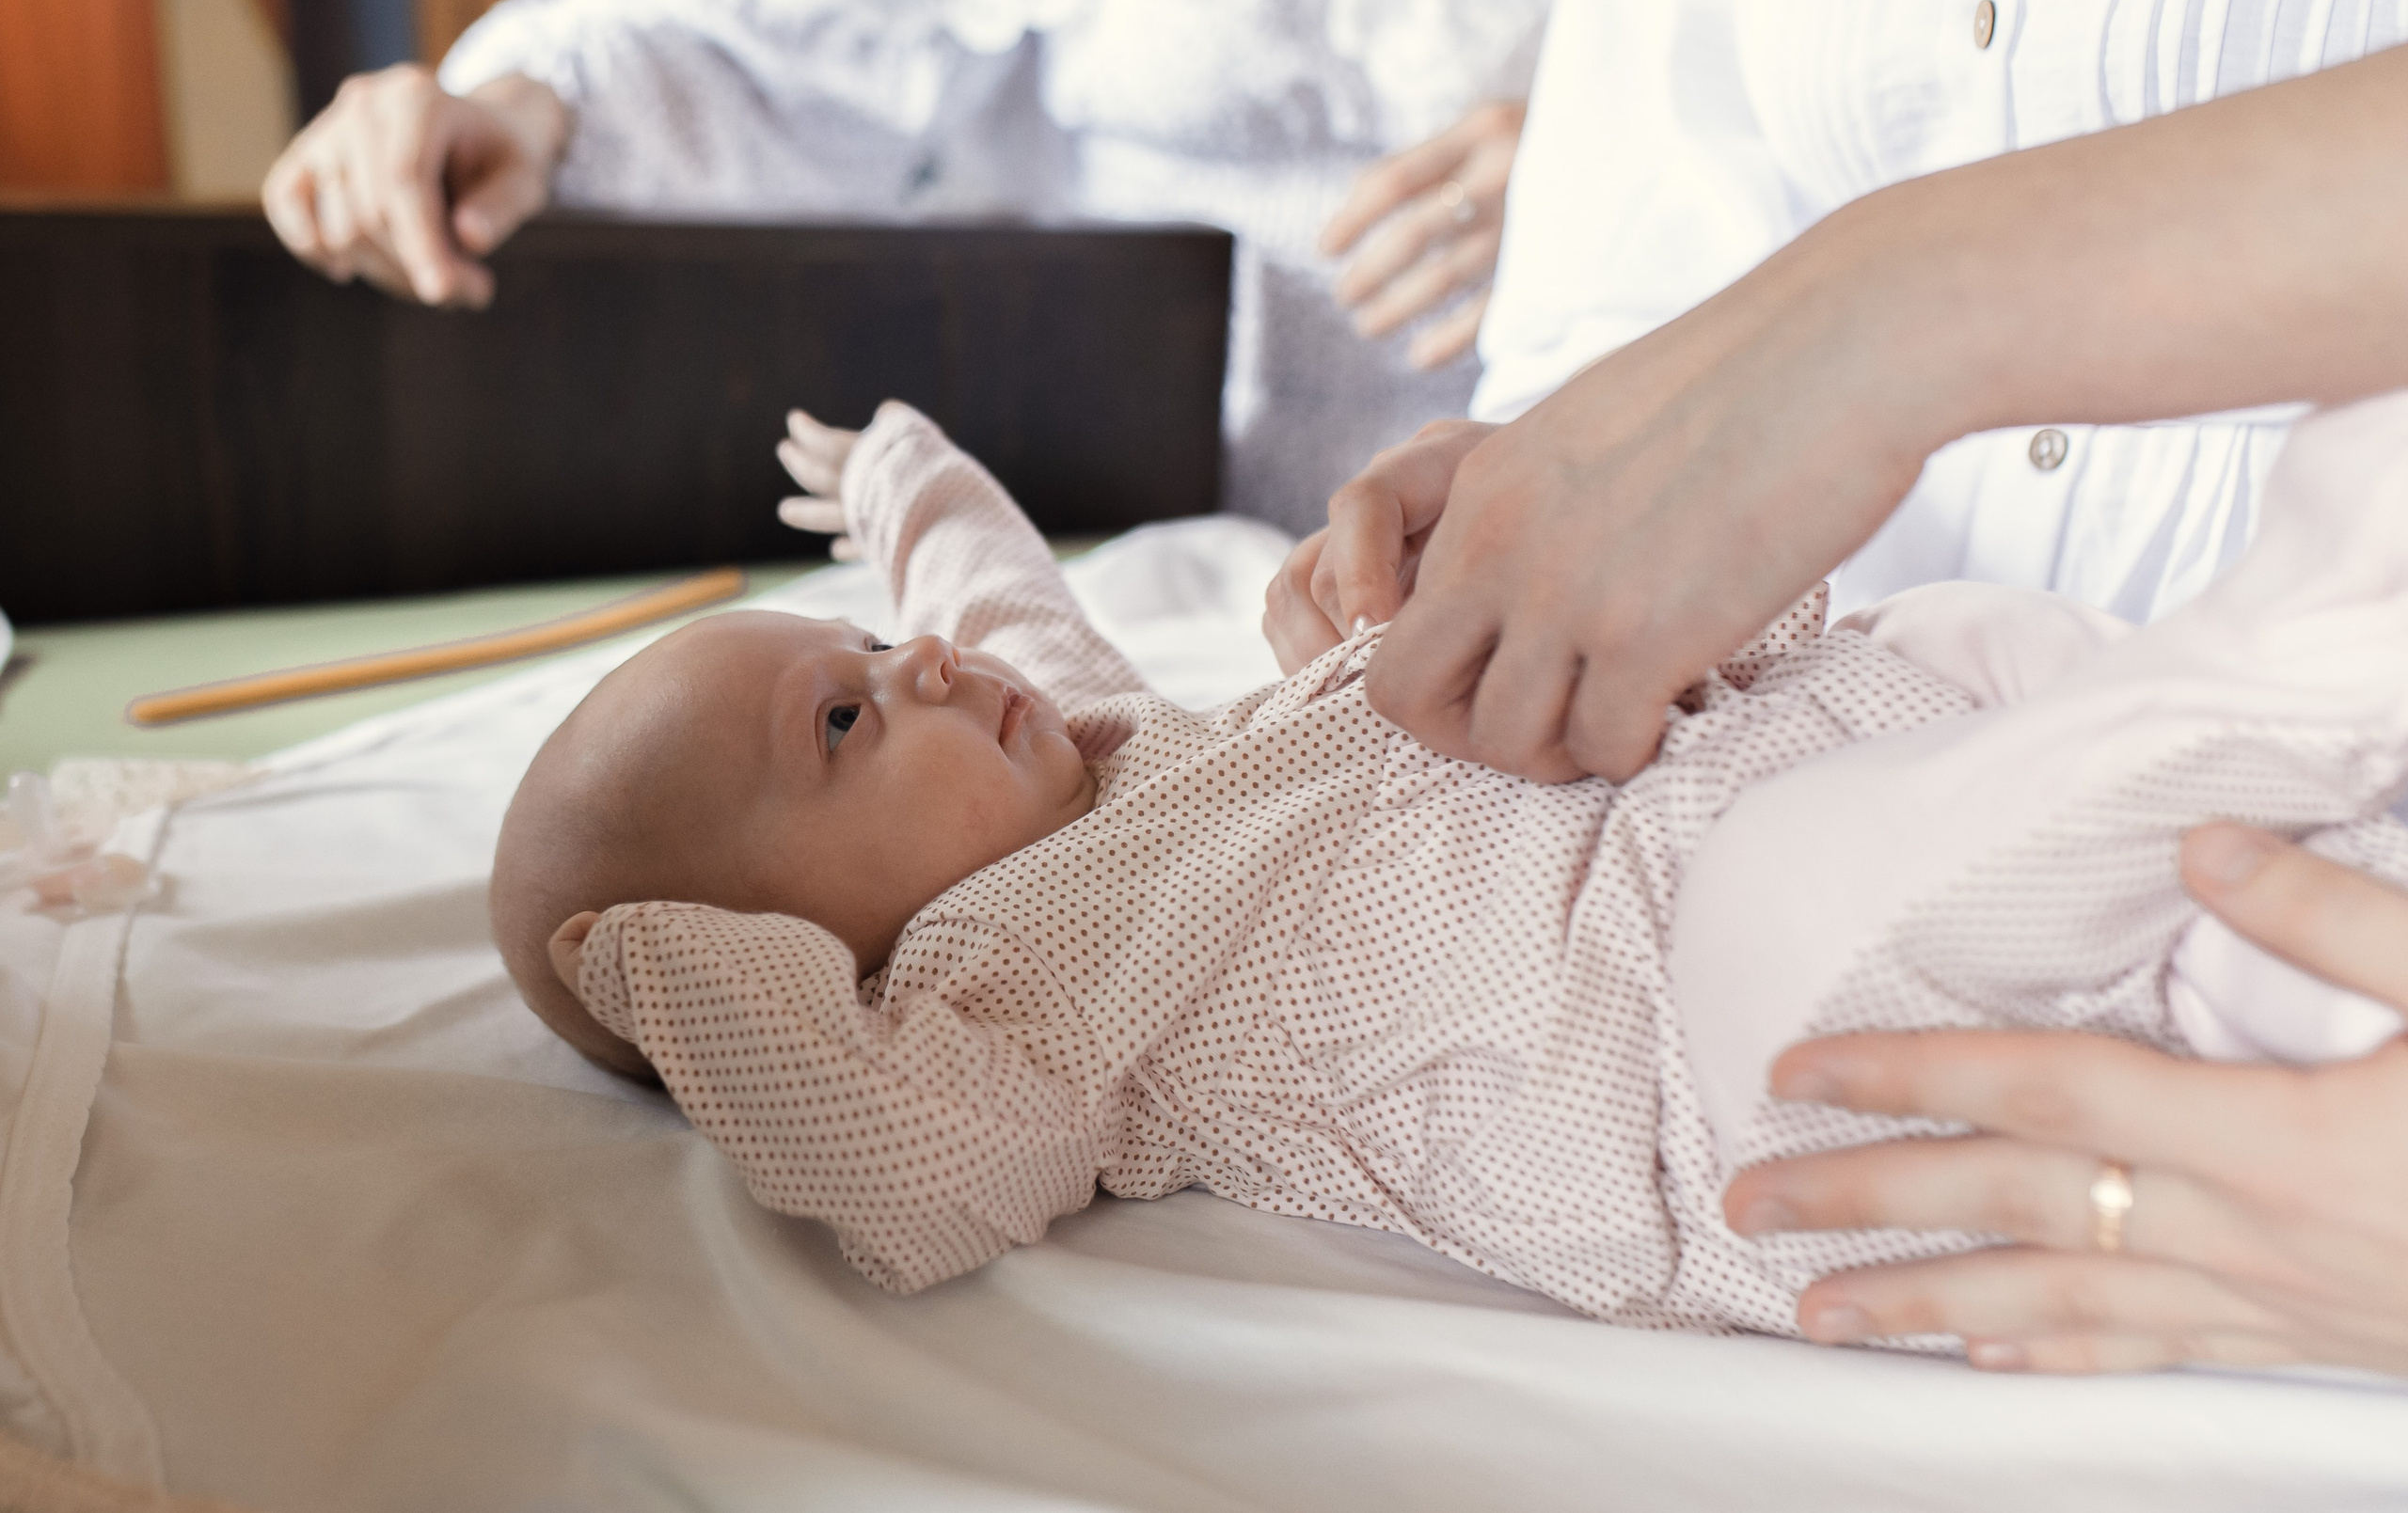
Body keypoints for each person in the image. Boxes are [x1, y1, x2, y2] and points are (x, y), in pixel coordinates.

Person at [487, 384, 2406, 1348]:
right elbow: (884, 1173)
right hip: (1702, 1070)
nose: (913, 672)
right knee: (1897, 875)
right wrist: (663, 974)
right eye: (837, 727)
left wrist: (908, 487)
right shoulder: (995, 1015)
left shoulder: (1105, 752)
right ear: (794, 945)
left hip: (1789, 763)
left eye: (862, 657)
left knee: (1986, 669)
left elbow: (997, 608)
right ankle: (2316, 630)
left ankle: (2312, 793)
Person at [1260, 0, 2408, 1375]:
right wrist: (1546, 515)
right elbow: (1648, 257)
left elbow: (1810, 339)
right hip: (1879, 1035)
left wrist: (1891, 313)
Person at [259, 0, 1580, 534]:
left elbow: (1774, 101)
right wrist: (523, 103)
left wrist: (1611, 146)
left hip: (1591, 516)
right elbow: (749, 11)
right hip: (1147, 545)